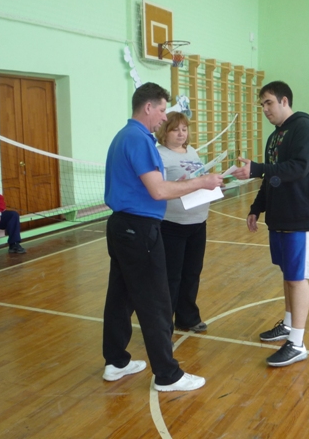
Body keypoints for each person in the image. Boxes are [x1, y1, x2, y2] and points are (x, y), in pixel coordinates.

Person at [102, 82, 223, 392]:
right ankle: (167, 375)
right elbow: (158, 190)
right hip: (139, 230)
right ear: (148, 107)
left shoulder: (124, 136)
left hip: (121, 227)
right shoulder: (139, 139)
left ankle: (116, 361)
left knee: (121, 296)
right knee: (156, 301)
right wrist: (201, 182)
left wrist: (188, 183)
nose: (164, 117)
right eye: (161, 110)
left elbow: (147, 185)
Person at [232, 81, 309, 367]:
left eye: (269, 102)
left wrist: (257, 168)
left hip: (300, 216)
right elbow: (272, 177)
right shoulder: (275, 137)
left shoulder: (305, 129)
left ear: (284, 101)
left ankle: (297, 343)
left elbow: (299, 168)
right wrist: (256, 207)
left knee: (297, 278)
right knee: (288, 274)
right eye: (262, 104)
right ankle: (287, 324)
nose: (264, 109)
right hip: (280, 216)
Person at [156, 112, 209, 334]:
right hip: (172, 225)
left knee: (192, 273)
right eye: (175, 129)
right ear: (164, 132)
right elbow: (159, 188)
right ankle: (163, 325)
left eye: (184, 129)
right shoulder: (159, 155)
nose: (181, 134)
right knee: (171, 277)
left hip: (198, 222)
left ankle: (187, 317)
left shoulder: (192, 151)